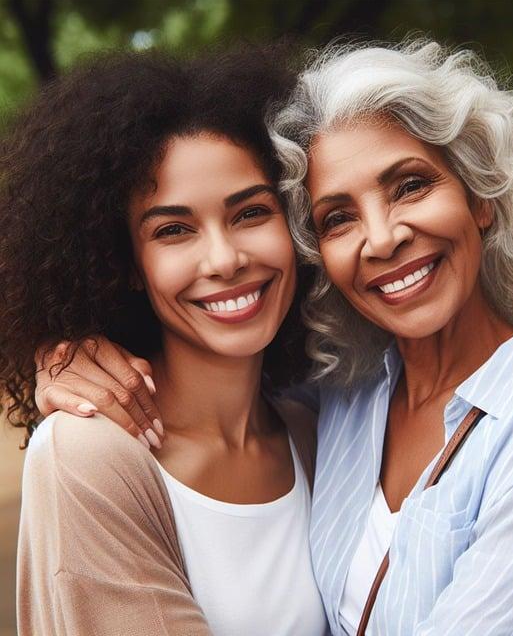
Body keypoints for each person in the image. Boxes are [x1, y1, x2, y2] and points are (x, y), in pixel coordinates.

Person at [30, 40, 513, 634]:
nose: (381, 239)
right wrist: (59, 354)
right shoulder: (342, 407)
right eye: (338, 218)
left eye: (410, 186)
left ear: (481, 196)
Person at [0, 49, 327, 635]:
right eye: (173, 230)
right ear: (124, 262)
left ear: (297, 222)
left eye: (251, 212)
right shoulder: (89, 456)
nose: (225, 259)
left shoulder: (316, 432)